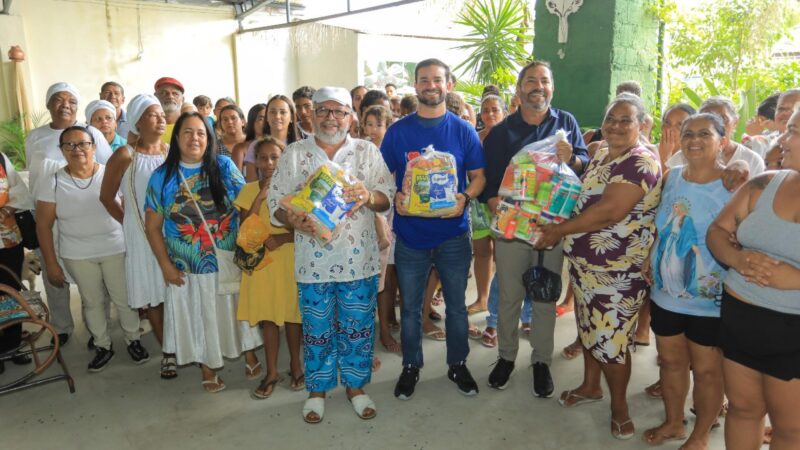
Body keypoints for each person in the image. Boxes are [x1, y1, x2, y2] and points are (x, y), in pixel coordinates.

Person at [535, 93, 662, 440]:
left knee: (612, 341)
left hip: (618, 271)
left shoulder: (641, 162)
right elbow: (582, 194)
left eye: (626, 120)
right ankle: (591, 386)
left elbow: (609, 211)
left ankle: (620, 408)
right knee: (589, 329)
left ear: (641, 125)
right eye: (611, 119)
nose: (616, 126)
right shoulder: (604, 152)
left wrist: (557, 231)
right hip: (585, 265)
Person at [268, 86, 394, 423]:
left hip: (358, 260)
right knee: (317, 329)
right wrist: (290, 217)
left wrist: (369, 196)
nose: (331, 118)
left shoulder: (366, 152)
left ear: (350, 117)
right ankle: (317, 390)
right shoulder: (295, 153)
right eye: (323, 110)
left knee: (358, 328)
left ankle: (356, 387)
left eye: (338, 111)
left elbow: (388, 197)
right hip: (312, 262)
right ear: (311, 114)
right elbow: (274, 202)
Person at [481, 60, 589, 397]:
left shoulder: (566, 123)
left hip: (551, 230)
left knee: (545, 293)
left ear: (551, 88)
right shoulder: (502, 132)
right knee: (511, 295)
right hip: (513, 229)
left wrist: (571, 158)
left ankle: (541, 361)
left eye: (544, 81)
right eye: (531, 81)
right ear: (519, 89)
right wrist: (493, 202)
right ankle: (506, 357)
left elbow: (583, 165)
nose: (538, 86)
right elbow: (488, 182)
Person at [381, 58, 486, 400]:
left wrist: (464, 198)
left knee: (456, 307)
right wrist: (393, 195)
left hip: (453, 235)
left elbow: (479, 177)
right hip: (411, 237)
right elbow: (383, 177)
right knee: (410, 309)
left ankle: (458, 364)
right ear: (416, 85)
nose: (430, 85)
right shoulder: (398, 131)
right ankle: (411, 366)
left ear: (448, 84)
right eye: (424, 79)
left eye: (437, 79)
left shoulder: (463, 130)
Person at [144, 112, 261, 392]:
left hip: (226, 260)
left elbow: (246, 204)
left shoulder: (222, 165)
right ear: (176, 138)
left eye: (201, 133)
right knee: (199, 317)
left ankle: (250, 354)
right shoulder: (161, 177)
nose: (194, 138)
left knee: (236, 310)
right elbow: (152, 227)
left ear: (209, 139)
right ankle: (207, 367)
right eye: (187, 132)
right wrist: (165, 266)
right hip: (188, 266)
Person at [706, 107, 800, 450]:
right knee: (743, 410)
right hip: (741, 317)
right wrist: (735, 258)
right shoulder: (765, 184)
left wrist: (795, 279)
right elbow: (717, 230)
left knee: (791, 429)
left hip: (794, 331)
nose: (783, 140)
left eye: (793, 132)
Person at [641, 113, 732, 448]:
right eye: (688, 133)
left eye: (704, 134)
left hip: (710, 300)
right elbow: (660, 225)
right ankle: (674, 422)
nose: (694, 140)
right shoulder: (673, 177)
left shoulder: (733, 185)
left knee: (708, 371)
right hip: (665, 294)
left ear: (722, 140)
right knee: (670, 362)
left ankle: (700, 434)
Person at [36, 125, 147, 372]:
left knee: (124, 297)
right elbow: (43, 226)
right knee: (92, 301)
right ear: (62, 151)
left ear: (94, 147)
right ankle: (102, 345)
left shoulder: (111, 173)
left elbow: (131, 208)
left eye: (83, 144)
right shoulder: (52, 181)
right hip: (77, 253)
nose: (78, 150)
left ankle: (133, 340)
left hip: (116, 247)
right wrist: (52, 263)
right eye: (70, 145)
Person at [25, 82, 112, 346]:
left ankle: (99, 328)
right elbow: (34, 176)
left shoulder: (92, 133)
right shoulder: (35, 137)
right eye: (59, 100)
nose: (65, 105)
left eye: (72, 101)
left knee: (95, 273)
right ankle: (61, 326)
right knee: (54, 271)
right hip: (49, 213)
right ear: (48, 105)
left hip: (87, 211)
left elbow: (108, 169)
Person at [99, 94, 176, 379]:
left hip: (174, 232)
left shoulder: (173, 151)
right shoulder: (125, 155)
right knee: (154, 294)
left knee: (177, 290)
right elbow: (106, 197)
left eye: (160, 114)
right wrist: (131, 223)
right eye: (152, 114)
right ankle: (167, 352)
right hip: (141, 234)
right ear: (138, 121)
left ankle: (185, 341)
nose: (160, 119)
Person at [236, 136, 303, 399]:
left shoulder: (296, 189)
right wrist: (261, 196)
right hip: (262, 264)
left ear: (283, 158)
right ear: (255, 161)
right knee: (268, 320)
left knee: (291, 316)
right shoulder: (248, 189)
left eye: (275, 157)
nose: (269, 163)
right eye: (263, 158)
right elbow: (244, 228)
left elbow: (307, 228)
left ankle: (296, 365)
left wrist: (284, 238)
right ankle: (272, 371)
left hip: (288, 258)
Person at [362, 104, 400, 353]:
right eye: (370, 124)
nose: (374, 130)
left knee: (389, 279)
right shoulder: (359, 152)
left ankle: (387, 324)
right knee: (373, 280)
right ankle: (375, 333)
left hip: (392, 223)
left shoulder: (392, 154)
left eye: (380, 124)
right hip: (366, 224)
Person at [666, 97, 765, 181]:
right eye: (708, 120)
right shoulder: (681, 158)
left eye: (723, 119)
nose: (716, 125)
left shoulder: (752, 160)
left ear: (735, 122)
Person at [0, 150, 35, 370]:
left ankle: (12, 346)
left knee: (11, 292)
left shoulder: (0, 157)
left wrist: (7, 209)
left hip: (8, 240)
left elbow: (20, 191)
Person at [244, 95, 300, 182]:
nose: (277, 116)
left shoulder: (301, 147)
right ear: (266, 117)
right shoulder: (255, 146)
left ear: (292, 117)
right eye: (272, 112)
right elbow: (252, 184)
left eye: (283, 112)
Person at [657, 103, 696, 168]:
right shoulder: (647, 152)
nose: (670, 129)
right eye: (667, 123)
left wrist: (664, 157)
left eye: (680, 125)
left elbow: (669, 178)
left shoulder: (694, 160)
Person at [231, 103, 266, 171]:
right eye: (261, 119)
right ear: (252, 121)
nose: (266, 122)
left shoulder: (279, 145)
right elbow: (236, 179)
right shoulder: (240, 149)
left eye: (267, 118)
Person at [153, 77, 185, 145]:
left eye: (175, 94)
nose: (170, 96)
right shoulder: (146, 126)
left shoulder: (189, 125)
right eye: (164, 93)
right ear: (155, 97)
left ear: (183, 99)